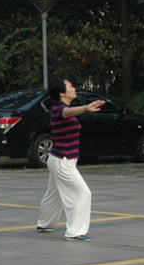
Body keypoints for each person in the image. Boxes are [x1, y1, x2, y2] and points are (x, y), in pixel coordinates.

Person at [36, 77, 105, 240]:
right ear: (62, 93)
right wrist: (86, 108)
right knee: (83, 193)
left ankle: (44, 223)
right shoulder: (60, 109)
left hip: (59, 159)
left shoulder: (59, 108)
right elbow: (66, 113)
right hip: (62, 160)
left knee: (54, 195)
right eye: (70, 86)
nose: (74, 88)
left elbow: (68, 113)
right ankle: (75, 231)